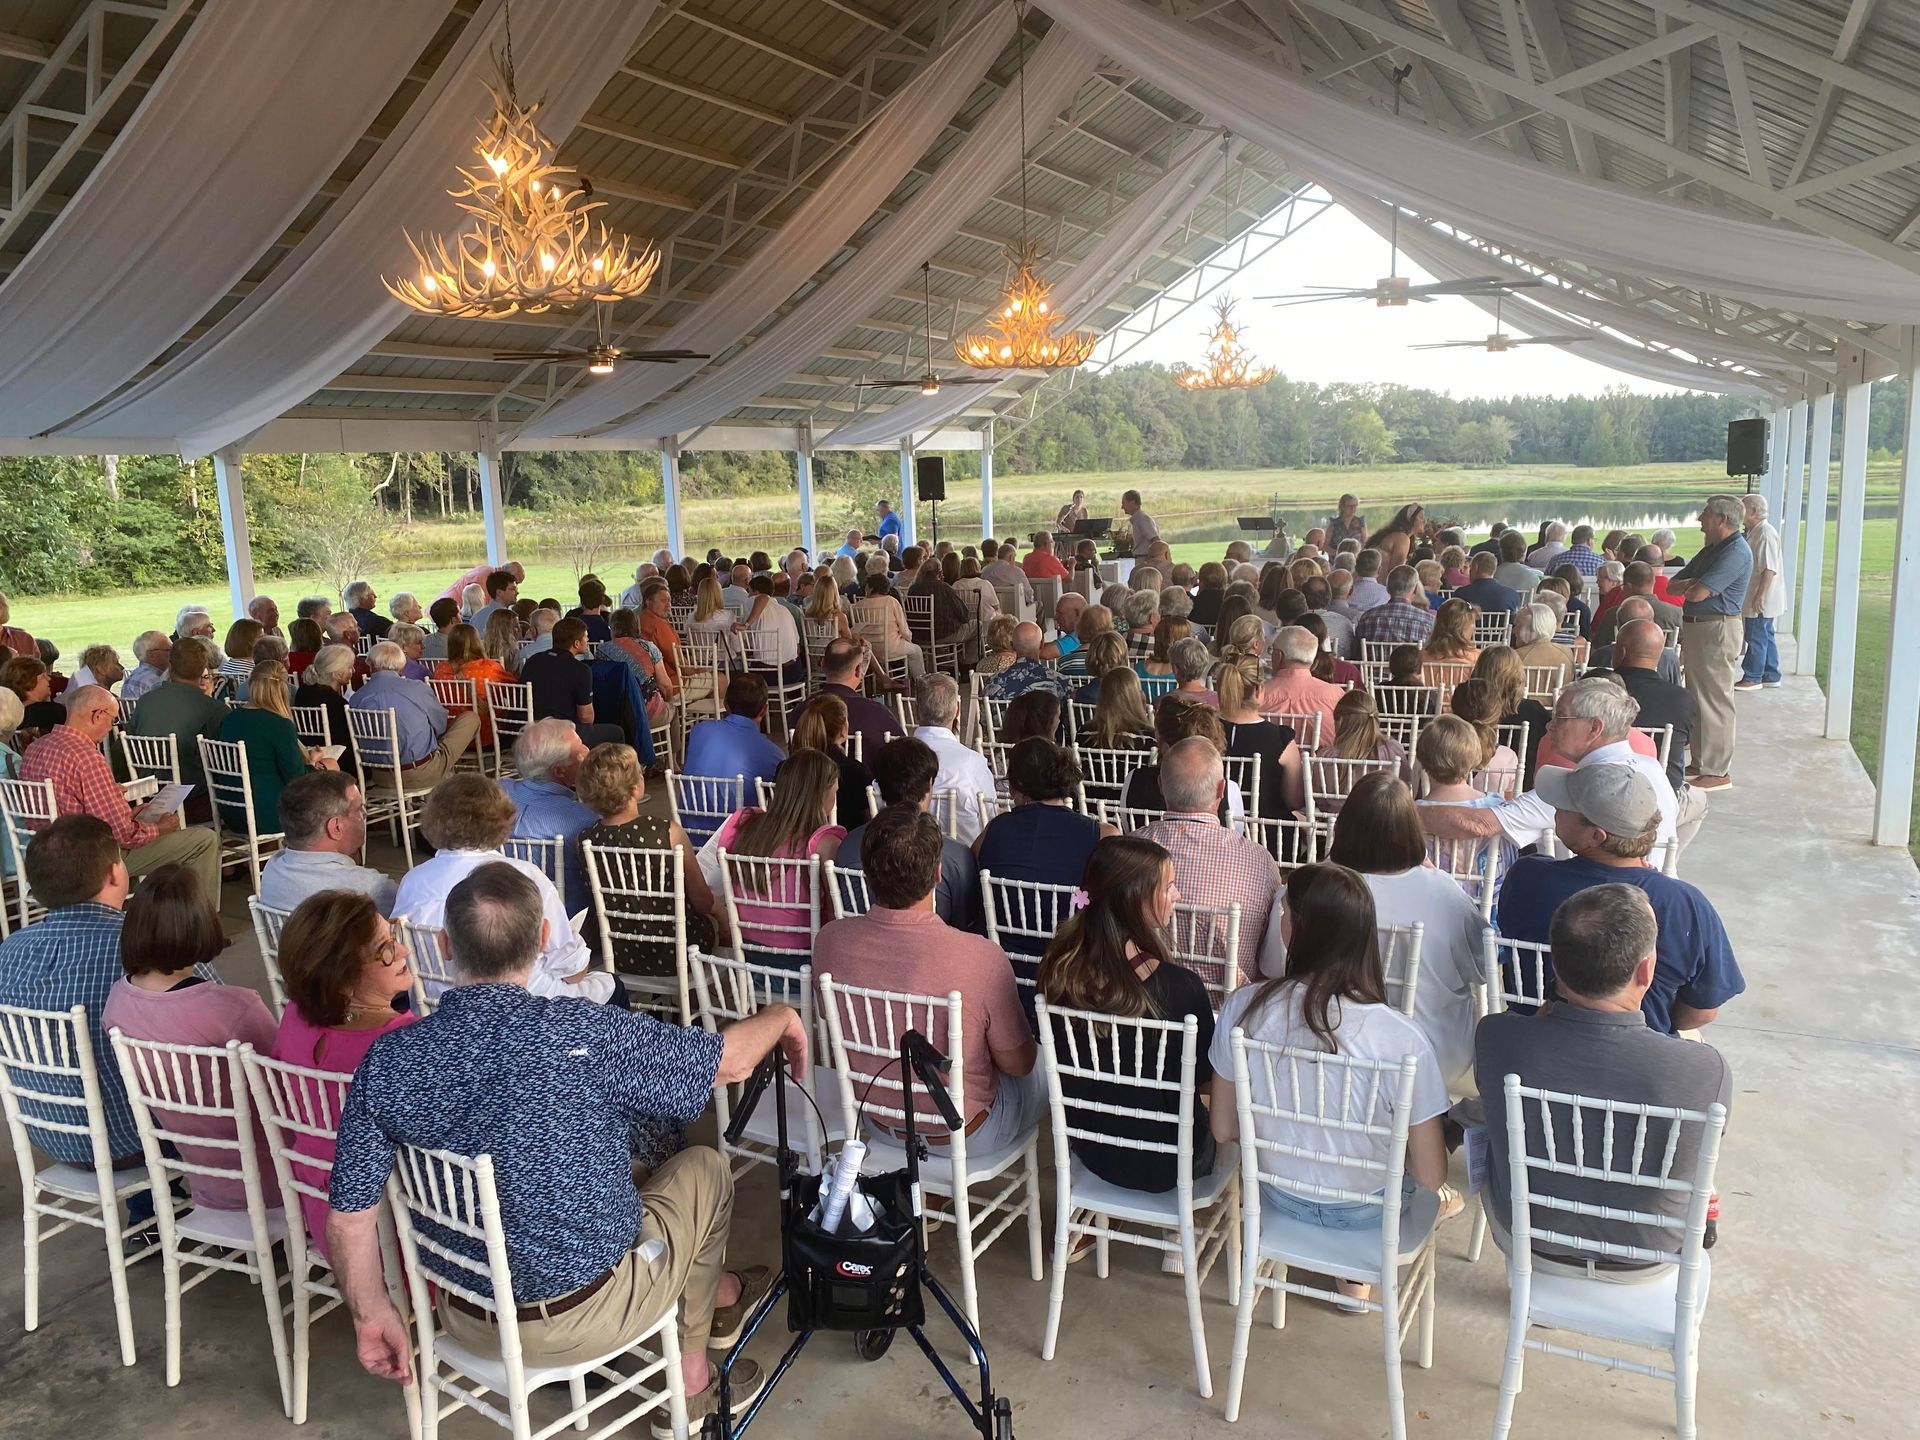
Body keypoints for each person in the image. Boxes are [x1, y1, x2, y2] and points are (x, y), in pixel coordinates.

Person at [330, 863, 797, 1418]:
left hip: (462, 1313)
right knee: (705, 1168)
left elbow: (349, 1216)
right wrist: (781, 1015)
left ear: (445, 944)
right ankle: (692, 1388)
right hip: (583, 1315)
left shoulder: (388, 1060)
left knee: (638, 1174)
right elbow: (732, 1060)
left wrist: (371, 1314)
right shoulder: (585, 1031)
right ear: (545, 940)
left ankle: (717, 1296)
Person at [1210, 864, 1454, 1306]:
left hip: (1277, 1199)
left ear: (1298, 928)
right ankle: (1355, 1280)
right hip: (1369, 1214)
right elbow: (1432, 1174)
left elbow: (1223, 1128)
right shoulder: (1402, 1039)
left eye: (1283, 911)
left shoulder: (1242, 1010)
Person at [1475, 882, 1732, 1277]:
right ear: (1646, 970)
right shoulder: (1703, 1069)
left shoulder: (1495, 1037)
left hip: (1531, 1239)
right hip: (1649, 1256)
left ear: (1556, 966)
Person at [0, 819, 201, 1226]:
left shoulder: (9, 951)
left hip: (50, 1136)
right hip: (131, 1142)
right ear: (115, 873)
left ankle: (153, 1215)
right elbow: (214, 1010)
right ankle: (227, 1212)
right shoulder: (140, 945)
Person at [813, 803, 1042, 1146]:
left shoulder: (829, 941)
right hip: (964, 1135)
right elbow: (1019, 1063)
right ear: (937, 873)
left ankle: (926, 1194)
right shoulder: (979, 956)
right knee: (1042, 1065)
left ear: (867, 873)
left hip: (876, 1120)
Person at [1270, 773, 1486, 1090]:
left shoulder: (1310, 890)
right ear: (1413, 830)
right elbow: (1482, 970)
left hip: (1332, 1056)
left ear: (1344, 826)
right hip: (1438, 1058)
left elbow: (1275, 967)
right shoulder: (1446, 893)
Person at [1497, 764, 1743, 1036]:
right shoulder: (1685, 903)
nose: (1555, 809)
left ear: (1596, 836)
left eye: (1565, 806)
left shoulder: (1527, 876)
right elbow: (1703, 1011)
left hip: (1533, 1041)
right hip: (1642, 1057)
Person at [1038, 835, 1218, 1195]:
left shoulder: (1057, 970)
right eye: (1169, 887)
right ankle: (1176, 1238)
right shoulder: (1181, 988)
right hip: (1171, 1163)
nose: (1178, 895)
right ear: (1138, 900)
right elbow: (1206, 1083)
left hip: (1093, 1150)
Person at [100, 862, 277, 1214]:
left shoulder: (117, 1004)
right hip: (273, 1180)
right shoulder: (234, 1007)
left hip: (202, 1180)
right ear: (202, 924)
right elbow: (288, 1089)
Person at [392, 775, 614, 1004]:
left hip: (437, 1009)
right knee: (611, 987)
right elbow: (573, 971)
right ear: (502, 818)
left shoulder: (411, 882)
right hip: (529, 1009)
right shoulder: (524, 877)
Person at [1422, 676, 1702, 856]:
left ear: (1594, 728)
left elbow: (1478, 824)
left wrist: (1397, 811)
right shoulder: (1651, 767)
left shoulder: (1581, 788)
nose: (1550, 725)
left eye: (1561, 718)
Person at [23, 686, 221, 896]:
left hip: (45, 855)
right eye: (113, 719)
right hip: (88, 859)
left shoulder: (37, 748)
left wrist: (127, 815)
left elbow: (73, 806)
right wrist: (160, 827)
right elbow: (124, 836)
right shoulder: (87, 757)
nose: (111, 727)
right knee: (204, 840)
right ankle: (197, 922)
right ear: (98, 715)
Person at [1138, 737, 1279, 983]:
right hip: (1229, 1012)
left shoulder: (1125, 852)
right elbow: (1269, 956)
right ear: (1221, 790)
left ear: (1161, 785)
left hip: (1142, 1004)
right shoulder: (1259, 861)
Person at [575, 742, 719, 976]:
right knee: (719, 909)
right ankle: (711, 998)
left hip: (622, 950)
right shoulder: (667, 832)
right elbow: (703, 902)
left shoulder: (585, 839)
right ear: (635, 789)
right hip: (679, 949)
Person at [707, 748, 843, 963]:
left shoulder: (744, 823)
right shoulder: (824, 843)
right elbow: (838, 913)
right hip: (804, 962)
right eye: (835, 790)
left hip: (749, 957)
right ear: (823, 793)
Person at [1671, 495, 1751, 792]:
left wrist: (1694, 586)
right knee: (1698, 696)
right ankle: (1702, 761)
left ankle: (1718, 771)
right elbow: (1674, 584)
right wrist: (1694, 585)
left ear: (1721, 519)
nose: (1699, 520)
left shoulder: (1736, 552)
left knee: (1716, 699)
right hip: (1697, 629)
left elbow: (1696, 593)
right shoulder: (1712, 549)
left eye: (1704, 514)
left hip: (1717, 629)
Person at [217, 658, 337, 836]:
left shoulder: (229, 719)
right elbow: (296, 779)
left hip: (231, 811)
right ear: (283, 688)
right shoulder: (279, 725)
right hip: (269, 814)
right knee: (332, 769)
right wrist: (313, 764)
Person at [257, 770, 397, 915]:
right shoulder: (368, 888)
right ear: (336, 827)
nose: (365, 814)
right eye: (359, 809)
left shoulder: (272, 867)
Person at [497, 719, 599, 916]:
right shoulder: (583, 818)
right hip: (571, 922)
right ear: (559, 771)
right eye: (580, 751)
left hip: (506, 914)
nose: (588, 750)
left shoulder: (496, 792)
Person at [349, 640, 480, 788]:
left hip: (380, 776)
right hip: (419, 773)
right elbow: (441, 726)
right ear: (401, 665)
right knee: (470, 718)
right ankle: (447, 780)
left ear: (371, 665)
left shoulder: (356, 698)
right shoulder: (417, 689)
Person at [130, 638, 229, 798]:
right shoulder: (214, 709)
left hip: (147, 791)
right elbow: (226, 763)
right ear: (204, 669)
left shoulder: (145, 701)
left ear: (170, 665)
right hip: (195, 796)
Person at [1215, 648, 1306, 820]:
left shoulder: (1203, 731)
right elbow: (1294, 800)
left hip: (1211, 830)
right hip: (1268, 833)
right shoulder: (1280, 739)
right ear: (1258, 691)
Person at [1606, 619, 1696, 791]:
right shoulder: (1682, 698)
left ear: (1621, 651)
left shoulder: (1598, 690)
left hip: (1603, 784)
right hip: (1663, 789)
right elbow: (1685, 743)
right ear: (1659, 655)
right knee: (1699, 799)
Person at [910, 672, 995, 845]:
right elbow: (989, 816)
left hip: (897, 858)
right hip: (965, 861)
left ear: (915, 710)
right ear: (957, 710)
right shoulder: (973, 763)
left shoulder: (891, 759)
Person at [519, 617, 624, 747]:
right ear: (576, 644)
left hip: (530, 729)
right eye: (585, 637)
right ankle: (594, 765)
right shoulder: (580, 669)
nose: (588, 640)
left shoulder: (533, 661)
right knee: (617, 732)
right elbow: (586, 717)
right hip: (561, 733)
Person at [684, 672, 784, 789]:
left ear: (726, 704)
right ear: (764, 709)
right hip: (741, 807)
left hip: (690, 807)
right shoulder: (774, 756)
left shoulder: (698, 731)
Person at [790, 694, 872, 832]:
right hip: (847, 848)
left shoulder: (786, 769)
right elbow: (870, 822)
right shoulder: (856, 772)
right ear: (844, 730)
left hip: (791, 847)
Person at [1472, 646, 1552, 784]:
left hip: (1473, 783)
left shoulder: (1469, 708)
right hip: (1524, 786)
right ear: (1518, 675)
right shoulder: (1534, 711)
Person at [1256, 626, 1344, 747]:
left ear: (1278, 656)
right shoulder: (1336, 695)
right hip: (1323, 765)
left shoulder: (1257, 694)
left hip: (1268, 764)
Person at [1737, 491, 1786, 691]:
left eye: (1743, 508)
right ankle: (1770, 673)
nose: (1739, 513)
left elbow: (1769, 568)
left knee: (1756, 635)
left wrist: (1760, 594)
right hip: (1761, 595)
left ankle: (1753, 675)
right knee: (1765, 634)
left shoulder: (1764, 533)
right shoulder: (1755, 531)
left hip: (1761, 597)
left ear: (1754, 511)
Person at [850, 572, 926, 682]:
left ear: (871, 588)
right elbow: (904, 630)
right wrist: (909, 639)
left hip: (869, 651)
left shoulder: (858, 605)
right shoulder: (891, 601)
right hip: (891, 647)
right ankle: (921, 682)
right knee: (916, 650)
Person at [984, 622, 1071, 702]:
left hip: (1006, 719)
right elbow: (1070, 717)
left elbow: (985, 717)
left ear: (1012, 645)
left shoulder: (993, 682)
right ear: (1042, 644)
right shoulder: (1061, 682)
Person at [1353, 564, 1435, 650]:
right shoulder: (1428, 621)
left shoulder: (1367, 617)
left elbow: (1357, 651)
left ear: (1388, 588)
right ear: (1415, 590)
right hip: (1410, 663)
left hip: (1372, 663)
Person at [1420, 597, 1480, 684]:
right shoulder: (1478, 659)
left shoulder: (1419, 658)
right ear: (1462, 627)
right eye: (1473, 622)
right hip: (1463, 697)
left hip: (1428, 697)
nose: (1474, 627)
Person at [1120, 489, 1159, 554]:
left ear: (1132, 502)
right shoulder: (1137, 519)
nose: (1122, 507)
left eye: (1124, 503)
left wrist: (1152, 560)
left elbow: (1156, 541)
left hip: (1144, 560)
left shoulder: (1142, 519)